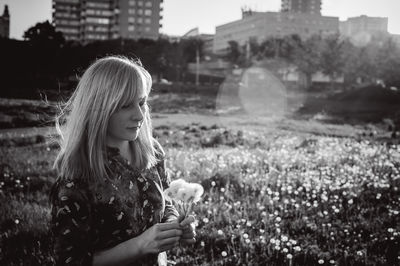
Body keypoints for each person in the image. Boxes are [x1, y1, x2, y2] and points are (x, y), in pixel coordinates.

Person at [49, 56, 196, 266]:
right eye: (125, 105)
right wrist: (140, 245)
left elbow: (167, 202)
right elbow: (70, 260)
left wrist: (174, 227)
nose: (139, 115)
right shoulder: (76, 180)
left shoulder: (152, 151)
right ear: (97, 108)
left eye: (142, 102)